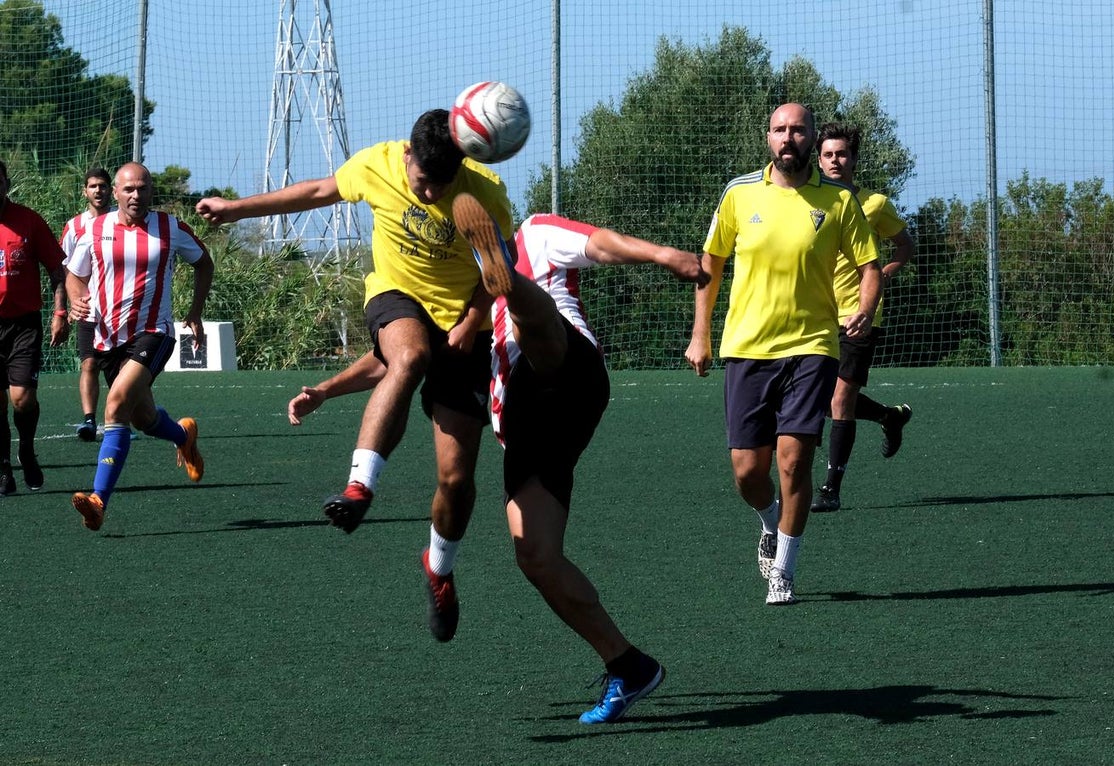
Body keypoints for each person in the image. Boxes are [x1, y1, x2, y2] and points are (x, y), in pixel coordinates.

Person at [286, 196, 707, 724]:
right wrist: (326, 389)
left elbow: (601, 244)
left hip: (569, 369)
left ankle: (508, 280)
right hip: (529, 423)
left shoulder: (535, 233)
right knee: (536, 556)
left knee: (537, 332)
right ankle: (628, 665)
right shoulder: (448, 288)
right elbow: (393, 357)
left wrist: (664, 255)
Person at [196, 109, 513, 643]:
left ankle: (439, 568)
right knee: (408, 357)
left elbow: (500, 270)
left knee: (456, 481)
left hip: (464, 326)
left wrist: (472, 320)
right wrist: (235, 209)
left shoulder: (485, 194)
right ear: (407, 156)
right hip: (396, 296)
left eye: (441, 185)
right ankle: (359, 486)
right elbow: (318, 191)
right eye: (422, 181)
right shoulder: (378, 163)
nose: (431, 194)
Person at [684, 103, 882, 606]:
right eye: (779, 129)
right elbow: (710, 264)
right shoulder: (739, 192)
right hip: (747, 348)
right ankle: (769, 521)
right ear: (768, 137)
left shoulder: (838, 199)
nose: (788, 137)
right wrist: (700, 333)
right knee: (748, 472)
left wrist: (864, 308)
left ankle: (784, 573)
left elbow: (870, 265)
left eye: (797, 129)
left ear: (812, 138)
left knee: (793, 460)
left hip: (812, 346)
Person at [66, 162, 213, 531]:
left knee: (115, 405)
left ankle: (98, 501)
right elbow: (74, 275)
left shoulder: (170, 227)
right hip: (107, 338)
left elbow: (204, 263)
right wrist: (76, 299)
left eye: (143, 188)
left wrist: (195, 312)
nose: (136, 195)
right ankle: (183, 436)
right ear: (115, 192)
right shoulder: (95, 229)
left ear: (151, 191)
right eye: (128, 189)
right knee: (143, 419)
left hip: (153, 333)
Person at [812, 123, 916, 513]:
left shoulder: (874, 204)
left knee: (840, 399)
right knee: (822, 399)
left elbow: (905, 245)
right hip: (817, 315)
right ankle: (889, 416)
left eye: (841, 154)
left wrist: (883, 275)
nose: (835, 161)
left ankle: (830, 489)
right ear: (818, 160)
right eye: (828, 154)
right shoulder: (811, 202)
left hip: (860, 316)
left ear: (854, 159)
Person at [0, 160, 71, 495]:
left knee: (22, 399)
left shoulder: (29, 220)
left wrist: (60, 312)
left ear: (5, 183)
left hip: (23, 326)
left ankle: (26, 449)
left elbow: (57, 269)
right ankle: (3, 469)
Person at [59, 167, 113, 441]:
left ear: (111, 190)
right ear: (85, 191)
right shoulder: (75, 226)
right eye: (93, 186)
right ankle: (89, 420)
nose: (98, 190)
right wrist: (67, 305)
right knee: (89, 364)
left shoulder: (122, 221)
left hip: (119, 309)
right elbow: (64, 269)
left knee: (119, 369)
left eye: (102, 185)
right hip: (89, 309)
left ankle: (119, 421)